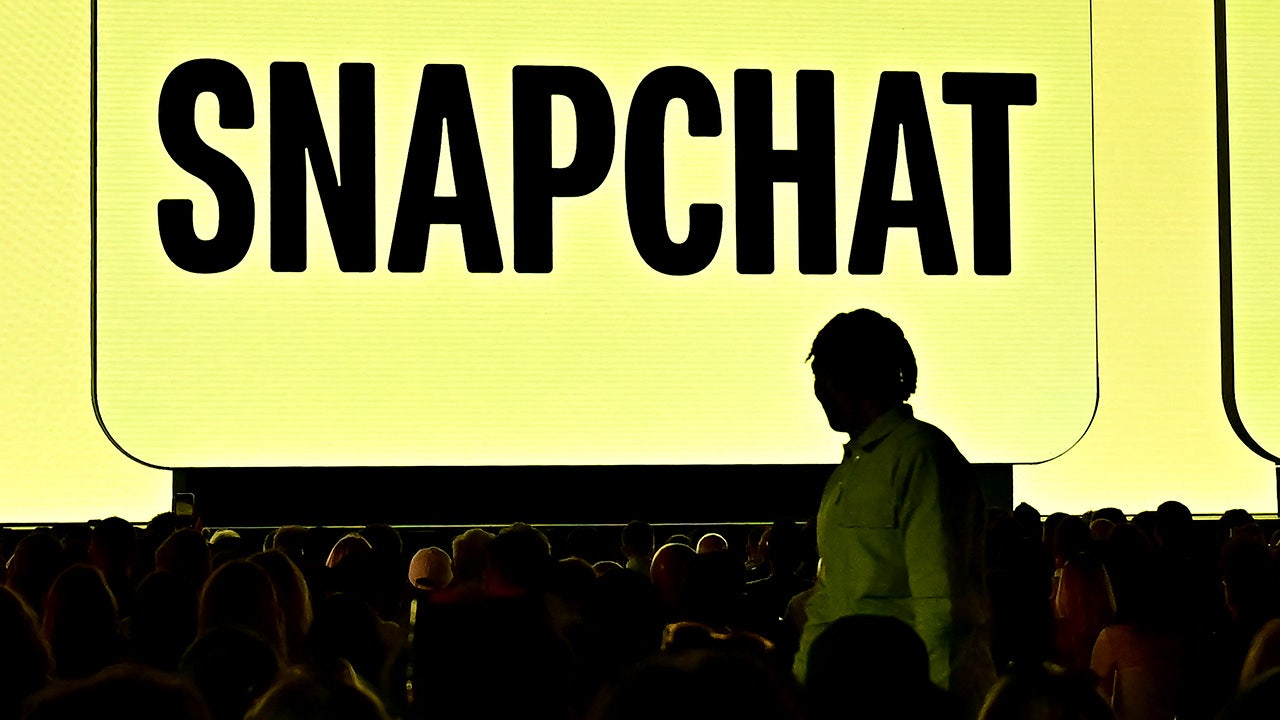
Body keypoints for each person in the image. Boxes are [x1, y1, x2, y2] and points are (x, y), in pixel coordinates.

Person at [793, 309, 993, 710]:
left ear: (844, 376)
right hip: (869, 693)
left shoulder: (921, 457)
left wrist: (937, 705)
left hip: (904, 695)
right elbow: (829, 597)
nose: (817, 389)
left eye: (821, 374)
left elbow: (940, 603)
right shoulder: (857, 468)